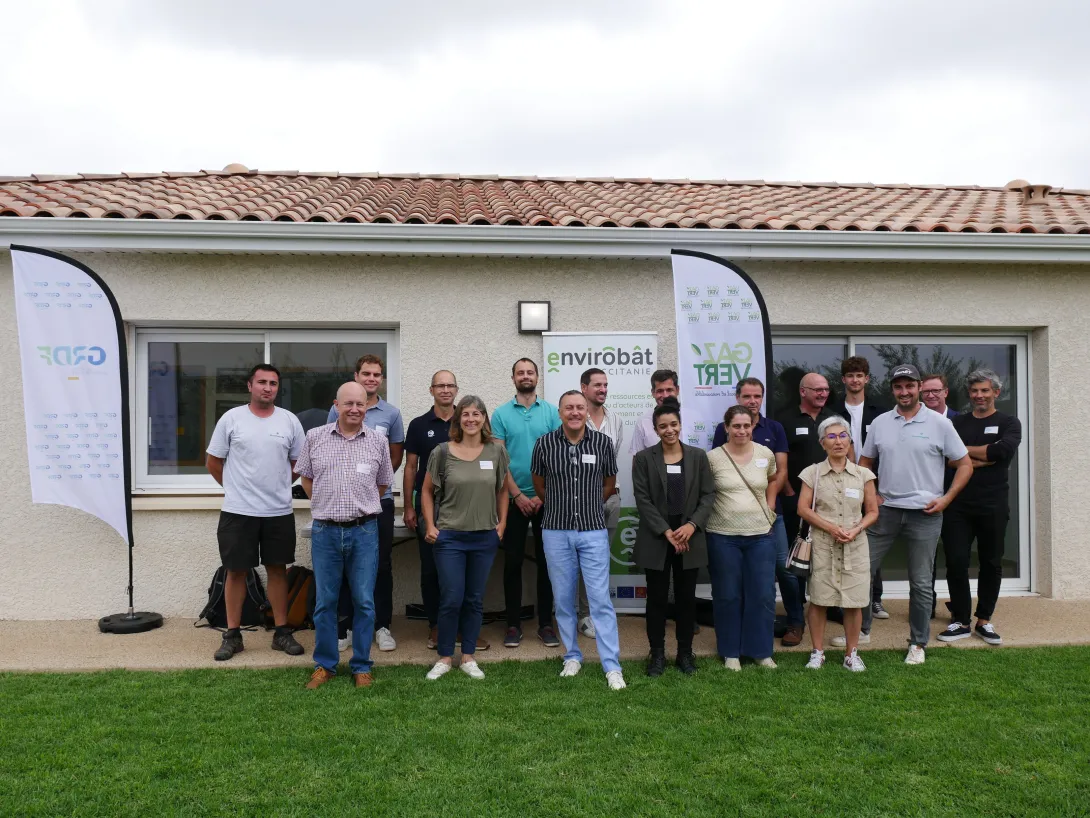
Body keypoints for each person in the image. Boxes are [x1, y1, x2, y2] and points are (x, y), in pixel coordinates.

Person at [845, 364, 972, 665]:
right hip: (885, 512)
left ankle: (918, 643)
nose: (904, 392)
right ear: (893, 390)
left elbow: (965, 464)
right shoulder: (880, 422)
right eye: (898, 387)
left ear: (918, 388)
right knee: (862, 572)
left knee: (920, 582)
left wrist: (946, 498)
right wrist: (871, 494)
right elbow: (865, 462)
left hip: (925, 513)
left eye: (910, 386)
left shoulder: (939, 424)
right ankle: (861, 630)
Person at [295, 381, 394, 689]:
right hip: (326, 532)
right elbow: (307, 479)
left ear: (368, 406)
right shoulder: (315, 437)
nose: (354, 409)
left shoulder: (377, 441)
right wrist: (328, 504)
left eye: (360, 404)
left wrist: (359, 505)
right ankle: (324, 665)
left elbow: (381, 485)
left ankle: (361, 666)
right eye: (348, 403)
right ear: (335, 405)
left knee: (364, 601)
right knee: (325, 602)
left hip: (364, 531)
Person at [205, 364, 305, 661]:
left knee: (277, 569)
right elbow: (213, 462)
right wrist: (235, 489)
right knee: (235, 571)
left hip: (278, 511)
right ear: (250, 385)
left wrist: (277, 485)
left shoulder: (289, 421)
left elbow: (299, 463)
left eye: (273, 383)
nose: (267, 387)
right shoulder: (232, 419)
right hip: (238, 511)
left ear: (278, 388)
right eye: (262, 382)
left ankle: (282, 632)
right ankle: (233, 635)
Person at [531, 391, 626, 690]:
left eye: (579, 407)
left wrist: (588, 505)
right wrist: (561, 506)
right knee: (563, 600)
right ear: (559, 412)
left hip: (593, 530)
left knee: (600, 600)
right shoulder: (544, 444)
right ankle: (572, 655)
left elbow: (610, 484)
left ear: (587, 411)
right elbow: (539, 484)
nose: (574, 412)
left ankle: (612, 665)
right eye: (568, 408)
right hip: (556, 531)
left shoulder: (603, 443)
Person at [421, 396, 510, 681]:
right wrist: (431, 525)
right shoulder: (443, 451)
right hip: (450, 538)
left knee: (474, 599)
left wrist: (502, 524)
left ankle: (468, 656)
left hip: (484, 537)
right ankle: (445, 657)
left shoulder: (496, 451)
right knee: (451, 597)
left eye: (477, 414)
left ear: (484, 418)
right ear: (458, 419)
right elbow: (425, 491)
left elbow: (502, 491)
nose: (471, 419)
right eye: (466, 414)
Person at [937, 369, 1022, 646]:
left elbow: (1001, 452)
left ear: (996, 392)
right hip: (958, 505)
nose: (979, 396)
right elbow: (948, 459)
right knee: (957, 562)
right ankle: (960, 620)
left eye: (985, 390)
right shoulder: (956, 423)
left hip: (993, 504)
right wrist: (983, 454)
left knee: (991, 563)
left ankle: (984, 620)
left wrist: (965, 453)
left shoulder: (1010, 422)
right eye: (974, 391)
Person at [713, 377, 800, 647]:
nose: (753, 401)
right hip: (728, 526)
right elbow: (717, 470)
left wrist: (771, 504)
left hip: (769, 519)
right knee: (734, 587)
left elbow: (779, 473)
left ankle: (794, 623)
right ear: (738, 398)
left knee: (781, 573)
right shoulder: (719, 439)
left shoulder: (773, 430)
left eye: (757, 396)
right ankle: (735, 639)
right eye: (747, 396)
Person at [632, 398, 716, 676]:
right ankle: (656, 654)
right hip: (658, 536)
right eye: (663, 426)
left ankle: (684, 653)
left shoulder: (698, 456)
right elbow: (642, 499)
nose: (669, 430)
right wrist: (666, 531)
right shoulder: (644, 459)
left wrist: (691, 526)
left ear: (681, 425)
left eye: (674, 424)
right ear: (655, 429)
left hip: (688, 535)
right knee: (656, 599)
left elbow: (708, 495)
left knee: (685, 598)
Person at [327, 354, 404, 652]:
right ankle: (344, 627)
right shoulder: (338, 409)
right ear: (356, 376)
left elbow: (395, 457)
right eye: (366, 374)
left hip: (379, 502)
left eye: (377, 374)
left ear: (381, 379)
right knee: (346, 566)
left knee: (381, 565)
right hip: (343, 503)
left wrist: (373, 488)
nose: (371, 379)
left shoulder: (391, 414)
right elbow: (329, 448)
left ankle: (381, 626)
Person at [797, 416, 879, 672]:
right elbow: (802, 508)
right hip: (823, 544)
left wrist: (856, 529)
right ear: (822, 443)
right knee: (820, 599)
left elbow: (873, 511)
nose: (838, 441)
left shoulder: (863, 474)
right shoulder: (812, 473)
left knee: (855, 601)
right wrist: (831, 527)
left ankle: (851, 654)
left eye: (843, 436)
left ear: (850, 441)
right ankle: (817, 652)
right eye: (831, 437)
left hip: (855, 545)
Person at [492, 358, 562, 648]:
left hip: (546, 498)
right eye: (520, 373)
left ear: (537, 377)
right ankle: (512, 625)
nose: (525, 376)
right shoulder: (500, 414)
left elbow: (558, 455)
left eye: (530, 372)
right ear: (513, 379)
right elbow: (499, 460)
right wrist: (519, 496)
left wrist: (538, 496)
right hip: (513, 499)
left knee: (548, 564)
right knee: (512, 563)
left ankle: (546, 624)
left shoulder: (551, 412)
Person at [706, 405, 779, 670]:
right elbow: (705, 494)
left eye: (746, 426)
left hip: (761, 535)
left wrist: (770, 506)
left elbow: (773, 479)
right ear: (726, 428)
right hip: (722, 535)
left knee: (762, 594)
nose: (742, 430)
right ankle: (730, 652)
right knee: (727, 594)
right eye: (736, 426)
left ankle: (761, 651)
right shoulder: (713, 458)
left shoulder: (765, 453)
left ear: (753, 427)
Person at [403, 370, 465, 650]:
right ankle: (436, 625)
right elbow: (411, 467)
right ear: (431, 390)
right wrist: (408, 506)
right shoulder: (418, 425)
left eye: (450, 385)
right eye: (440, 385)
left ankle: (461, 625)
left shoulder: (466, 421)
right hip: (427, 504)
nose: (445, 390)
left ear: (456, 390)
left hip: (461, 505)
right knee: (430, 569)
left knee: (460, 567)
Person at [829, 356, 888, 621]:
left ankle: (874, 599)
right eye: (850, 375)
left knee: (872, 541)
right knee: (843, 535)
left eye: (860, 375)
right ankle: (840, 598)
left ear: (867, 379)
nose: (855, 380)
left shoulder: (881, 410)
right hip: (841, 481)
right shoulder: (832, 411)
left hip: (873, 482)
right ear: (843, 380)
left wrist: (879, 487)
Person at [577, 367, 624, 639]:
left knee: (602, 559)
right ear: (584, 388)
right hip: (582, 500)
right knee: (584, 560)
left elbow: (611, 462)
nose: (602, 389)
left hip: (610, 497)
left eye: (605, 384)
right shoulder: (575, 419)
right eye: (597, 385)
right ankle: (584, 614)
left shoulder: (616, 420)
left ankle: (598, 612)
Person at [629, 369, 680, 455]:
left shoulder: (691, 417)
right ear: (653, 393)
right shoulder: (643, 422)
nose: (665, 395)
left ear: (677, 390)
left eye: (669, 390)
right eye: (660, 391)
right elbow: (637, 460)